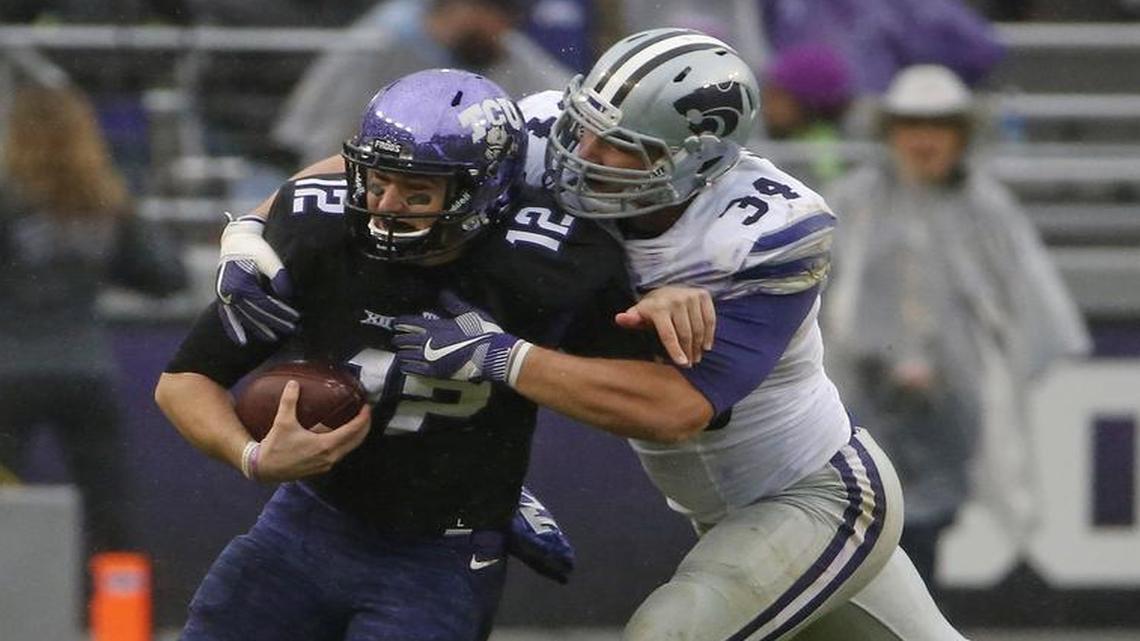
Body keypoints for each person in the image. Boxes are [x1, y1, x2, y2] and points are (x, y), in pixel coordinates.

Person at [389, 29, 976, 640]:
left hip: (818, 496)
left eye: (619, 145)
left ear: (694, 159)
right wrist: (280, 226)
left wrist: (502, 357)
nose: (582, 149)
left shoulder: (761, 232)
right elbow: (394, 160)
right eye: (586, 122)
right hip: (727, 515)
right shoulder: (544, 135)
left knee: (670, 633)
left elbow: (675, 408)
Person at [155, 68, 709, 641]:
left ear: (482, 191)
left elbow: (665, 401)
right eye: (376, 181)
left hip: (442, 549)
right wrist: (252, 457)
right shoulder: (318, 229)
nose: (387, 207)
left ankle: (505, 499)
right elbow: (184, 379)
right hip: (309, 520)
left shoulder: (550, 262)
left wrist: (519, 355)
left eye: (417, 191)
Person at [822, 64, 1090, 588]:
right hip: (858, 397)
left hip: (953, 406)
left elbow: (1027, 305)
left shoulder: (987, 209)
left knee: (924, 530)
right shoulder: (852, 202)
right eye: (912, 125)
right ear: (890, 133)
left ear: (961, 135)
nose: (924, 140)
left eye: (939, 126)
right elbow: (823, 298)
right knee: (857, 525)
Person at [0, 84, 187, 559]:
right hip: (87, 371)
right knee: (109, 510)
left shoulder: (6, 196)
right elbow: (166, 276)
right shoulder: (102, 200)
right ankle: (119, 623)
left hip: (8, 375)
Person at [273, 0, 573, 165]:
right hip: (377, 180)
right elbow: (324, 143)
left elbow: (563, 93)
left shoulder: (492, 47)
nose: (504, 28)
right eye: (497, 13)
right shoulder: (382, 41)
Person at [759, 42, 855, 189]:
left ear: (809, 104)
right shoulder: (784, 136)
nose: (767, 104)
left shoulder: (823, 150)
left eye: (777, 96)